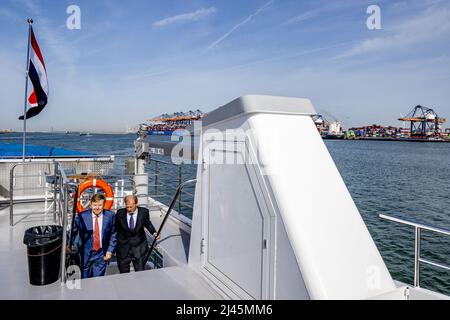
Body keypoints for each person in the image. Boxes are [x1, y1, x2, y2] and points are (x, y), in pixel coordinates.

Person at [71, 193, 116, 278]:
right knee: (85, 278)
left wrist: (110, 251)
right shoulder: (82, 216)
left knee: (98, 279)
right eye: (95, 205)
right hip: (85, 253)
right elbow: (72, 232)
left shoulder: (110, 216)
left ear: (104, 205)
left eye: (100, 205)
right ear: (91, 204)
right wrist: (68, 245)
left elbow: (113, 234)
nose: (97, 207)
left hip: (102, 253)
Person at [115, 195, 160, 273]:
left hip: (139, 248)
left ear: (136, 204)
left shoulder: (144, 212)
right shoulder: (120, 213)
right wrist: (114, 248)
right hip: (123, 249)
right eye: (127, 207)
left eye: (131, 207)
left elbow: (148, 223)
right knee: (123, 274)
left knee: (140, 273)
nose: (128, 209)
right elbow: (116, 229)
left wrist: (154, 232)